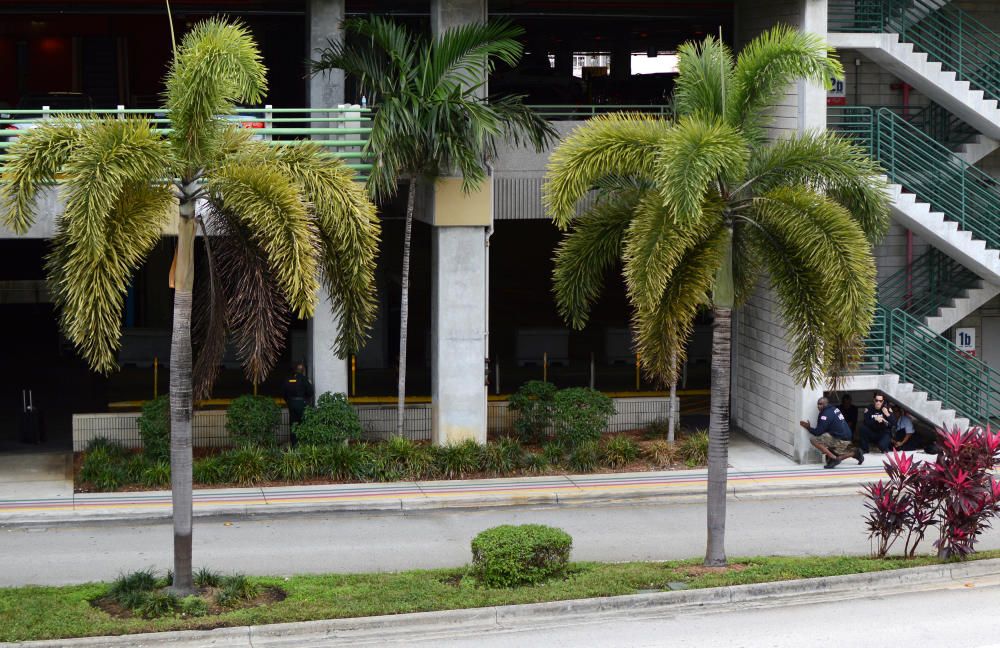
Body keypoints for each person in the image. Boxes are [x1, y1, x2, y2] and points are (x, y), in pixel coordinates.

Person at [799, 396, 864, 469]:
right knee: (828, 458)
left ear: (826, 404)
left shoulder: (825, 414)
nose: (818, 406)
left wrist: (808, 427)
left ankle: (834, 458)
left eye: (821, 404)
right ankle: (855, 453)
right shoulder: (833, 409)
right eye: (818, 404)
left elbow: (818, 432)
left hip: (841, 439)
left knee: (813, 440)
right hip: (845, 437)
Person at [283, 362, 314, 445]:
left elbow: (284, 393)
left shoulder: (288, 379)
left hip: (291, 403)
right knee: (303, 423)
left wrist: (289, 401)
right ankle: (303, 443)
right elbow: (310, 392)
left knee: (293, 424)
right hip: (301, 403)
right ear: (303, 370)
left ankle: (294, 444)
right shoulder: (304, 379)